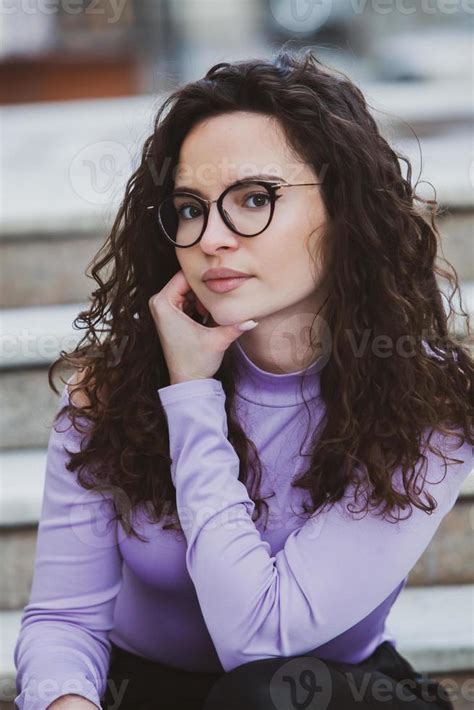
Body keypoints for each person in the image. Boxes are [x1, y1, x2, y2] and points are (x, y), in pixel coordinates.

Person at [13, 48, 473, 710]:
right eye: (191, 208)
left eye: (254, 199)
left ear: (344, 210)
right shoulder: (113, 391)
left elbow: (258, 642)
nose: (212, 238)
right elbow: (64, 621)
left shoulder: (427, 406)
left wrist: (193, 397)